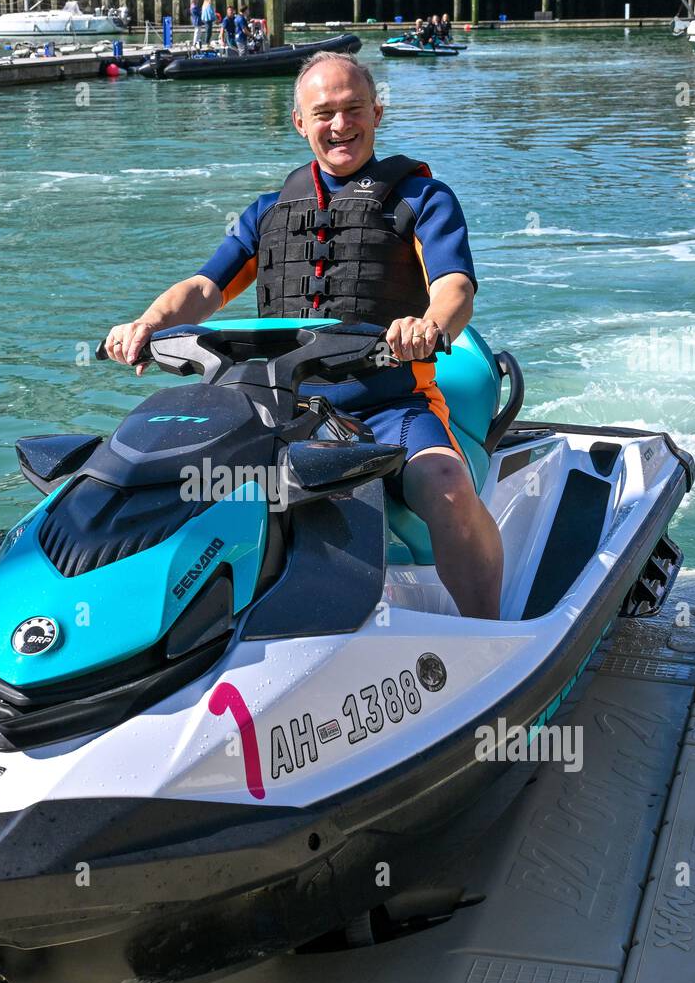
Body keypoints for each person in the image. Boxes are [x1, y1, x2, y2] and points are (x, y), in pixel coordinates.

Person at [103, 53, 503, 619]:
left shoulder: (423, 200)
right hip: (271, 408)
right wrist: (148, 323)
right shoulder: (267, 214)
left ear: (377, 113)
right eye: (324, 113)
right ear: (299, 122)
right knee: (172, 480)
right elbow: (203, 289)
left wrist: (429, 326)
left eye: (353, 109)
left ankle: (489, 634)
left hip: (388, 401)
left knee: (443, 482)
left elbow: (455, 286)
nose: (340, 125)